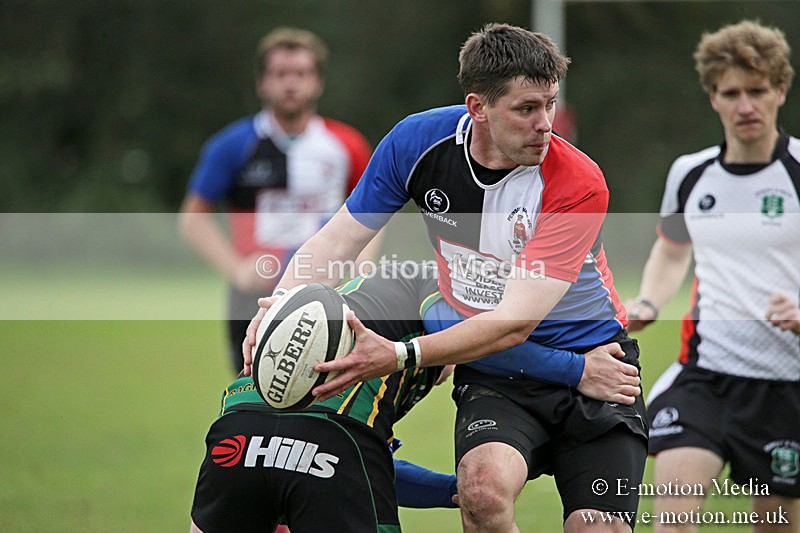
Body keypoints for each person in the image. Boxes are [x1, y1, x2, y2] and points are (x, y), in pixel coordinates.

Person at [243, 23, 647, 532]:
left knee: (597, 526)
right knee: (480, 493)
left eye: (549, 104)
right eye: (526, 109)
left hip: (596, 364)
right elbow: (338, 239)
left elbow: (513, 324)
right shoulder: (418, 143)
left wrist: (398, 356)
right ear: (478, 107)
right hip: (498, 373)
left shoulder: (577, 183)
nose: (546, 123)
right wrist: (278, 307)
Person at [625, 20, 800, 533]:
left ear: (780, 91)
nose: (745, 105)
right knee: (672, 525)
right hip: (705, 376)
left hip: (786, 387)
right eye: (731, 93)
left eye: (758, 90)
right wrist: (651, 303)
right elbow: (673, 252)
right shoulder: (692, 173)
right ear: (713, 98)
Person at [190, 262, 457, 533]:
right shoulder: (436, 295)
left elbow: (309, 452)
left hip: (237, 427)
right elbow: (336, 452)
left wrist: (450, 490)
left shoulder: (357, 300)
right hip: (336, 435)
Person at [178, 27, 373, 374]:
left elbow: (374, 216)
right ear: (262, 83)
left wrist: (360, 273)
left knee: (327, 395)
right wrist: (236, 269)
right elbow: (193, 219)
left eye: (301, 74)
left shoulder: (347, 145)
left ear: (318, 82)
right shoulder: (232, 146)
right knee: (253, 397)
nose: (290, 84)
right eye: (280, 74)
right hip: (256, 295)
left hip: (327, 293)